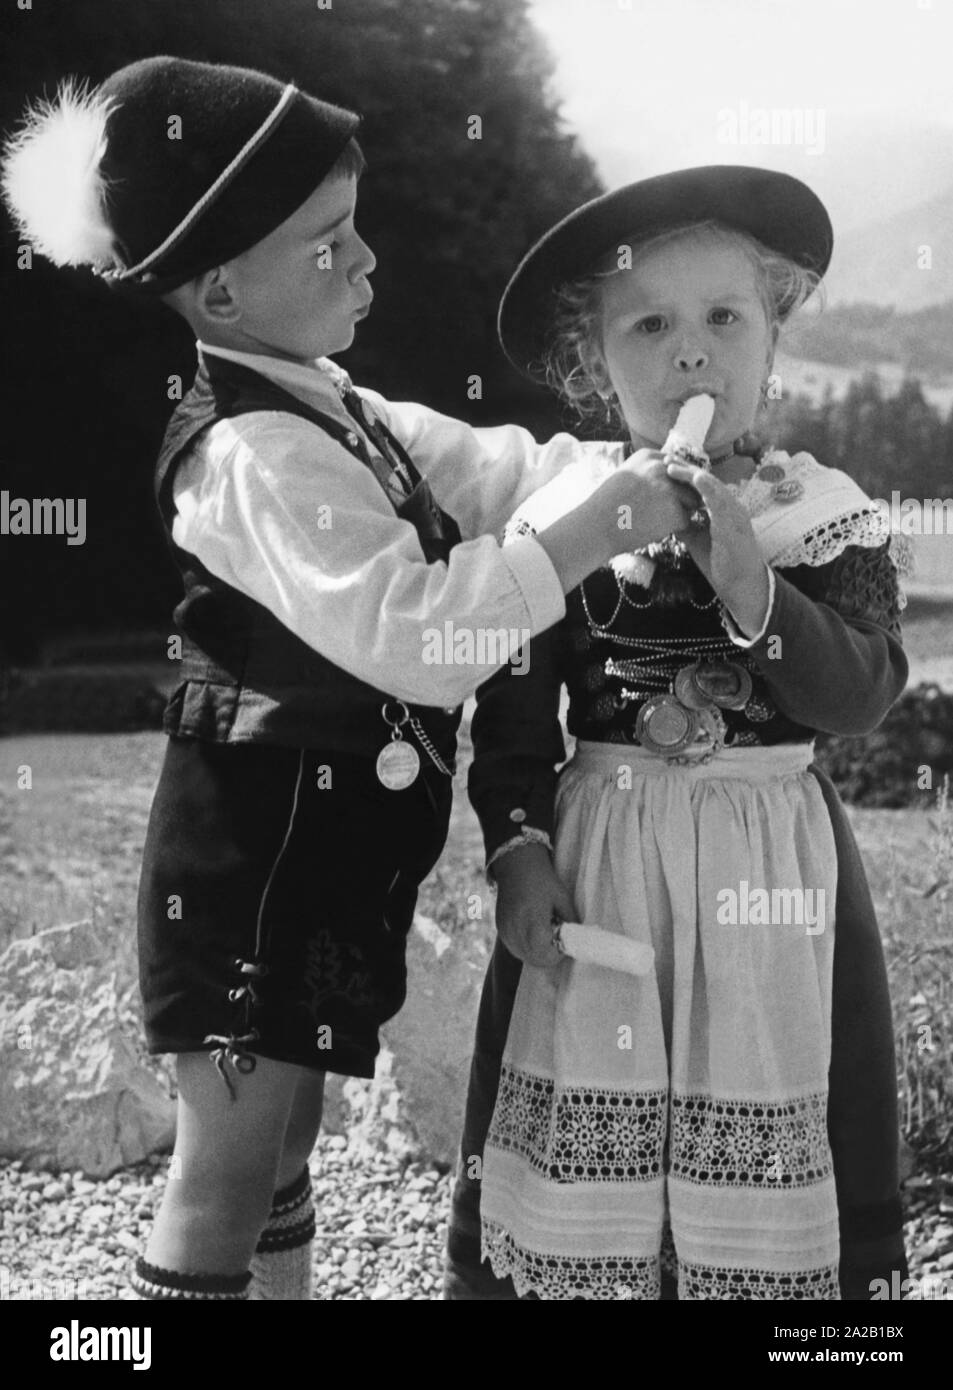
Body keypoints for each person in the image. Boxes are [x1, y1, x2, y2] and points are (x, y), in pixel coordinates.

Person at [1, 57, 696, 1301]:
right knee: (223, 1164)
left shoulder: (331, 403)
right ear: (220, 285)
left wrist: (614, 466)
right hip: (245, 877)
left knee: (286, 1136)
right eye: (328, 243)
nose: (366, 260)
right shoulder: (251, 454)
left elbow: (487, 468)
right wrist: (590, 535)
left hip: (320, 862)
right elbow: (413, 631)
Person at [444, 166, 910, 1300]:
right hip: (604, 866)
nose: (689, 352)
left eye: (721, 318)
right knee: (581, 1124)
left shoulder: (821, 511)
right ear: (593, 363)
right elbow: (508, 713)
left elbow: (860, 691)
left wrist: (755, 584)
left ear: (772, 338)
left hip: (772, 875)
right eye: (647, 325)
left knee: (775, 1093)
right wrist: (516, 845)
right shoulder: (568, 520)